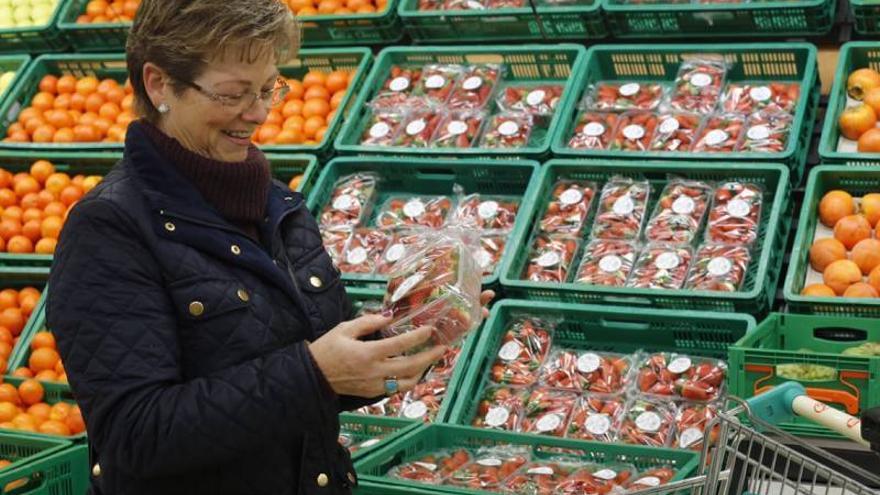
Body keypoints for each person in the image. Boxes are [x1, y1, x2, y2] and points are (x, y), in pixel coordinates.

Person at [45, 1, 492, 494]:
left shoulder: (276, 205)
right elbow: (133, 436)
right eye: (233, 94)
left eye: (268, 89)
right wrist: (314, 373)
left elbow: (324, 369)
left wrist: (416, 330)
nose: (258, 113)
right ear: (158, 85)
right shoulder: (109, 228)